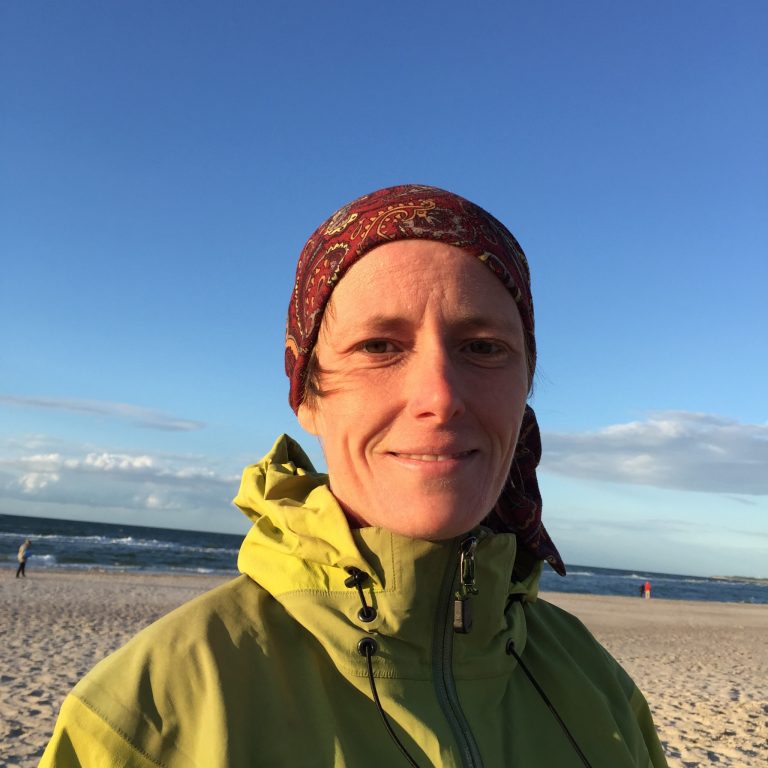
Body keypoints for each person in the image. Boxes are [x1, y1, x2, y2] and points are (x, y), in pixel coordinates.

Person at [41, 185, 668, 767]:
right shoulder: (149, 715)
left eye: (482, 346)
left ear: (524, 385)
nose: (440, 396)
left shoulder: (598, 689)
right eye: (379, 346)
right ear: (307, 396)